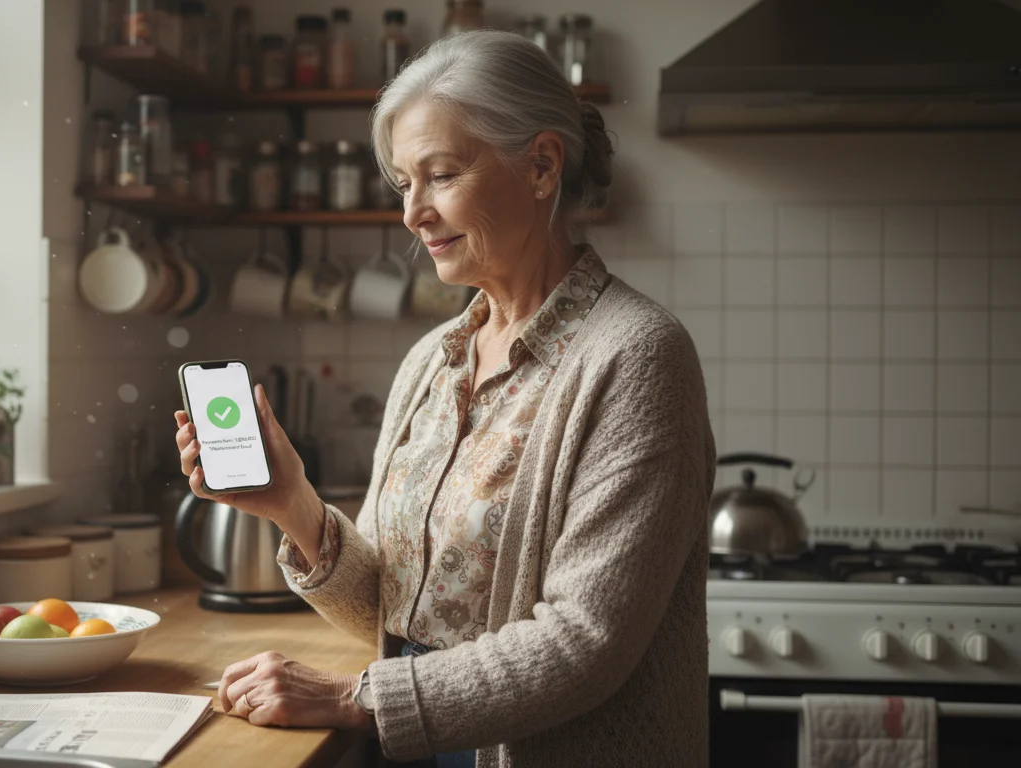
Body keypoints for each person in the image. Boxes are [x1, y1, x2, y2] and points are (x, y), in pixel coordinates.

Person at [173, 30, 714, 768]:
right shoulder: (433, 361)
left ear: (542, 166)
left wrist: (350, 699)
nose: (412, 213)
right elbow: (392, 608)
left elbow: (584, 642)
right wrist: (289, 501)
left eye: (442, 175)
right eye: (403, 184)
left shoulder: (639, 356)